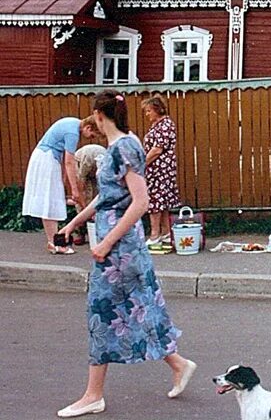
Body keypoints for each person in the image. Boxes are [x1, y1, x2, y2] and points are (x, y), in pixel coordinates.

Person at [56, 90, 195, 418]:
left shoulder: (124, 148)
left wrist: (106, 244)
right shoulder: (124, 145)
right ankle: (179, 364)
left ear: (100, 116)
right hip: (120, 249)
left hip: (120, 252)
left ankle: (93, 395)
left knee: (102, 314)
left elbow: (141, 202)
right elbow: (107, 197)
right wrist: (72, 223)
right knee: (140, 308)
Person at [22, 116, 98, 254]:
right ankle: (54, 243)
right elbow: (69, 162)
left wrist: (63, 181)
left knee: (53, 200)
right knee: (50, 202)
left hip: (48, 158)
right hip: (47, 159)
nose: (90, 138)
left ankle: (53, 241)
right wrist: (75, 190)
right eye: (92, 135)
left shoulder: (73, 123)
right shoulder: (73, 133)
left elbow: (65, 159)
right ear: (88, 128)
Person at [142, 95, 181, 249]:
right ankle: (165, 233)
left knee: (155, 201)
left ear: (157, 110)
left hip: (160, 168)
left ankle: (154, 235)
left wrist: (142, 164)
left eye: (149, 111)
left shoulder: (165, 125)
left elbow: (157, 149)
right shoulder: (159, 125)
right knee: (162, 201)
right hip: (159, 168)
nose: (147, 114)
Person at [71, 144, 107, 245]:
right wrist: (85, 208)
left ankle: (99, 231)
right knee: (83, 199)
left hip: (95, 166)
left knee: (95, 195)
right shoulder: (87, 161)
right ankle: (79, 231)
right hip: (81, 161)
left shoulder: (108, 165)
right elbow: (80, 186)